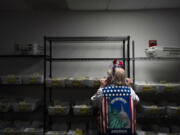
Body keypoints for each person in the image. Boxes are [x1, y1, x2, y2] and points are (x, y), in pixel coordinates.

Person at [91, 60, 139, 135]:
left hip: (106, 132)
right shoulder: (130, 91)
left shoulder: (102, 91)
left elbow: (94, 102)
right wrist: (129, 86)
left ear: (111, 78)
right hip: (127, 132)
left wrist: (101, 86)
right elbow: (136, 101)